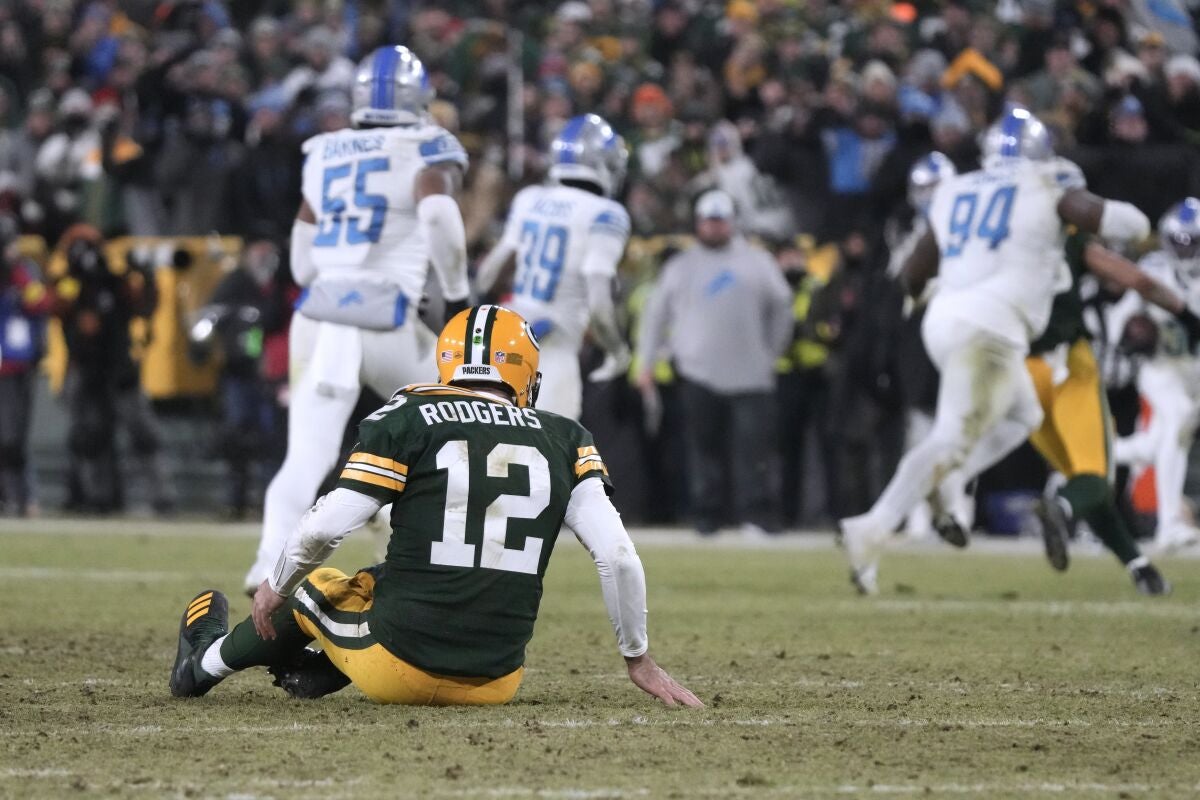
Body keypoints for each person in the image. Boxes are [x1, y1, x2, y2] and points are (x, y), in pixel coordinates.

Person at [169, 305, 702, 709]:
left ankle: (203, 665)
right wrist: (638, 659)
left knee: (317, 587)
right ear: (525, 372)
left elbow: (324, 527)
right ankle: (328, 665)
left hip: (400, 665)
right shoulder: (565, 435)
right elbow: (619, 557)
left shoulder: (414, 413)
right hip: (497, 681)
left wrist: (274, 585)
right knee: (381, 576)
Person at [840, 106, 1152, 594]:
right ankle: (872, 528)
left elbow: (915, 273)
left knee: (1020, 417)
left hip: (946, 320)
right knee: (949, 438)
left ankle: (949, 481)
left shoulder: (956, 188)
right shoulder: (1044, 185)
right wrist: (1115, 211)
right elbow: (1126, 224)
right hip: (990, 330)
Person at [243, 46, 472, 592]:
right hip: (390, 317)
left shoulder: (324, 149)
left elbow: (301, 259)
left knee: (305, 457)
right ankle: (434, 554)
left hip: (322, 317)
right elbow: (438, 212)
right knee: (449, 433)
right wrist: (458, 296)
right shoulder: (424, 144)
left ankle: (265, 566)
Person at [636, 189, 793, 536]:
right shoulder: (680, 266)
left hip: (752, 374)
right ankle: (707, 517)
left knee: (754, 453)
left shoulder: (758, 262)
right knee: (702, 452)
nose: (714, 227)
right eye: (709, 221)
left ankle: (756, 516)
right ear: (698, 223)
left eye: (720, 221)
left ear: (731, 223)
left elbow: (783, 308)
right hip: (697, 372)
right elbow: (654, 317)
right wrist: (645, 363)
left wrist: (771, 353)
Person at [474, 113, 633, 421]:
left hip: (506, 338)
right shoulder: (606, 214)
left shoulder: (529, 198)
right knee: (552, 459)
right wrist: (617, 350)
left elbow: (486, 275)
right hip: (553, 349)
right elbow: (599, 305)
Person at [1109, 198, 1200, 552]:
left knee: (1158, 444)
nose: (1184, 249)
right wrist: (1130, 336)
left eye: (1191, 241)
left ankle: (1089, 457)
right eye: (1179, 241)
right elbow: (1121, 320)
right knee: (1176, 419)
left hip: (1194, 370)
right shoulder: (1154, 270)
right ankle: (1169, 525)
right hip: (1159, 366)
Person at [0, 214, 51, 516]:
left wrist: (17, 276)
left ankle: (25, 497)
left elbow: (40, 303)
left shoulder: (24, 272)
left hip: (17, 364)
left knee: (14, 437)